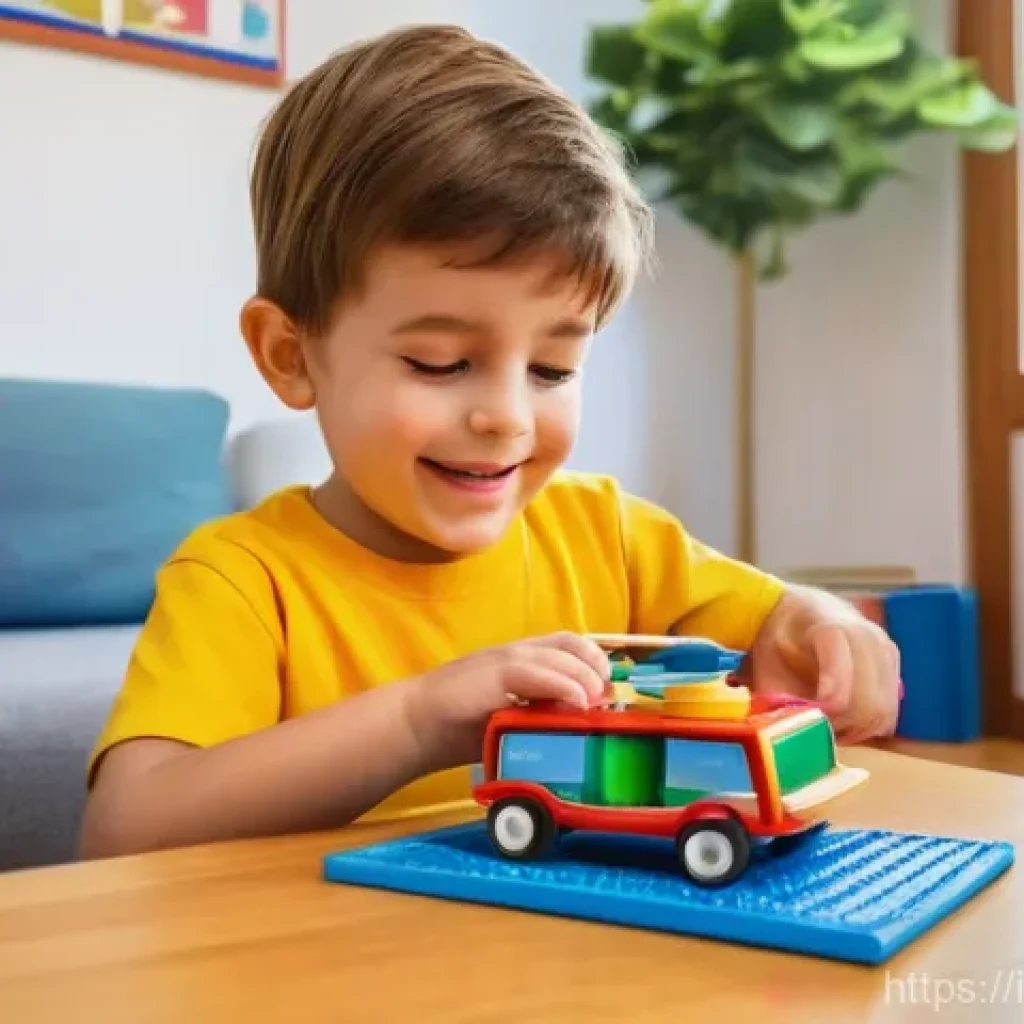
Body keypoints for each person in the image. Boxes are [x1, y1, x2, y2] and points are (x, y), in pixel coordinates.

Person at [79, 24, 900, 859]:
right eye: (441, 363)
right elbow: (126, 831)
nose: (507, 416)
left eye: (552, 368)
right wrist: (417, 718)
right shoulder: (244, 583)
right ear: (292, 356)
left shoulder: (609, 536)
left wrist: (821, 623)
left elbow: (776, 623)